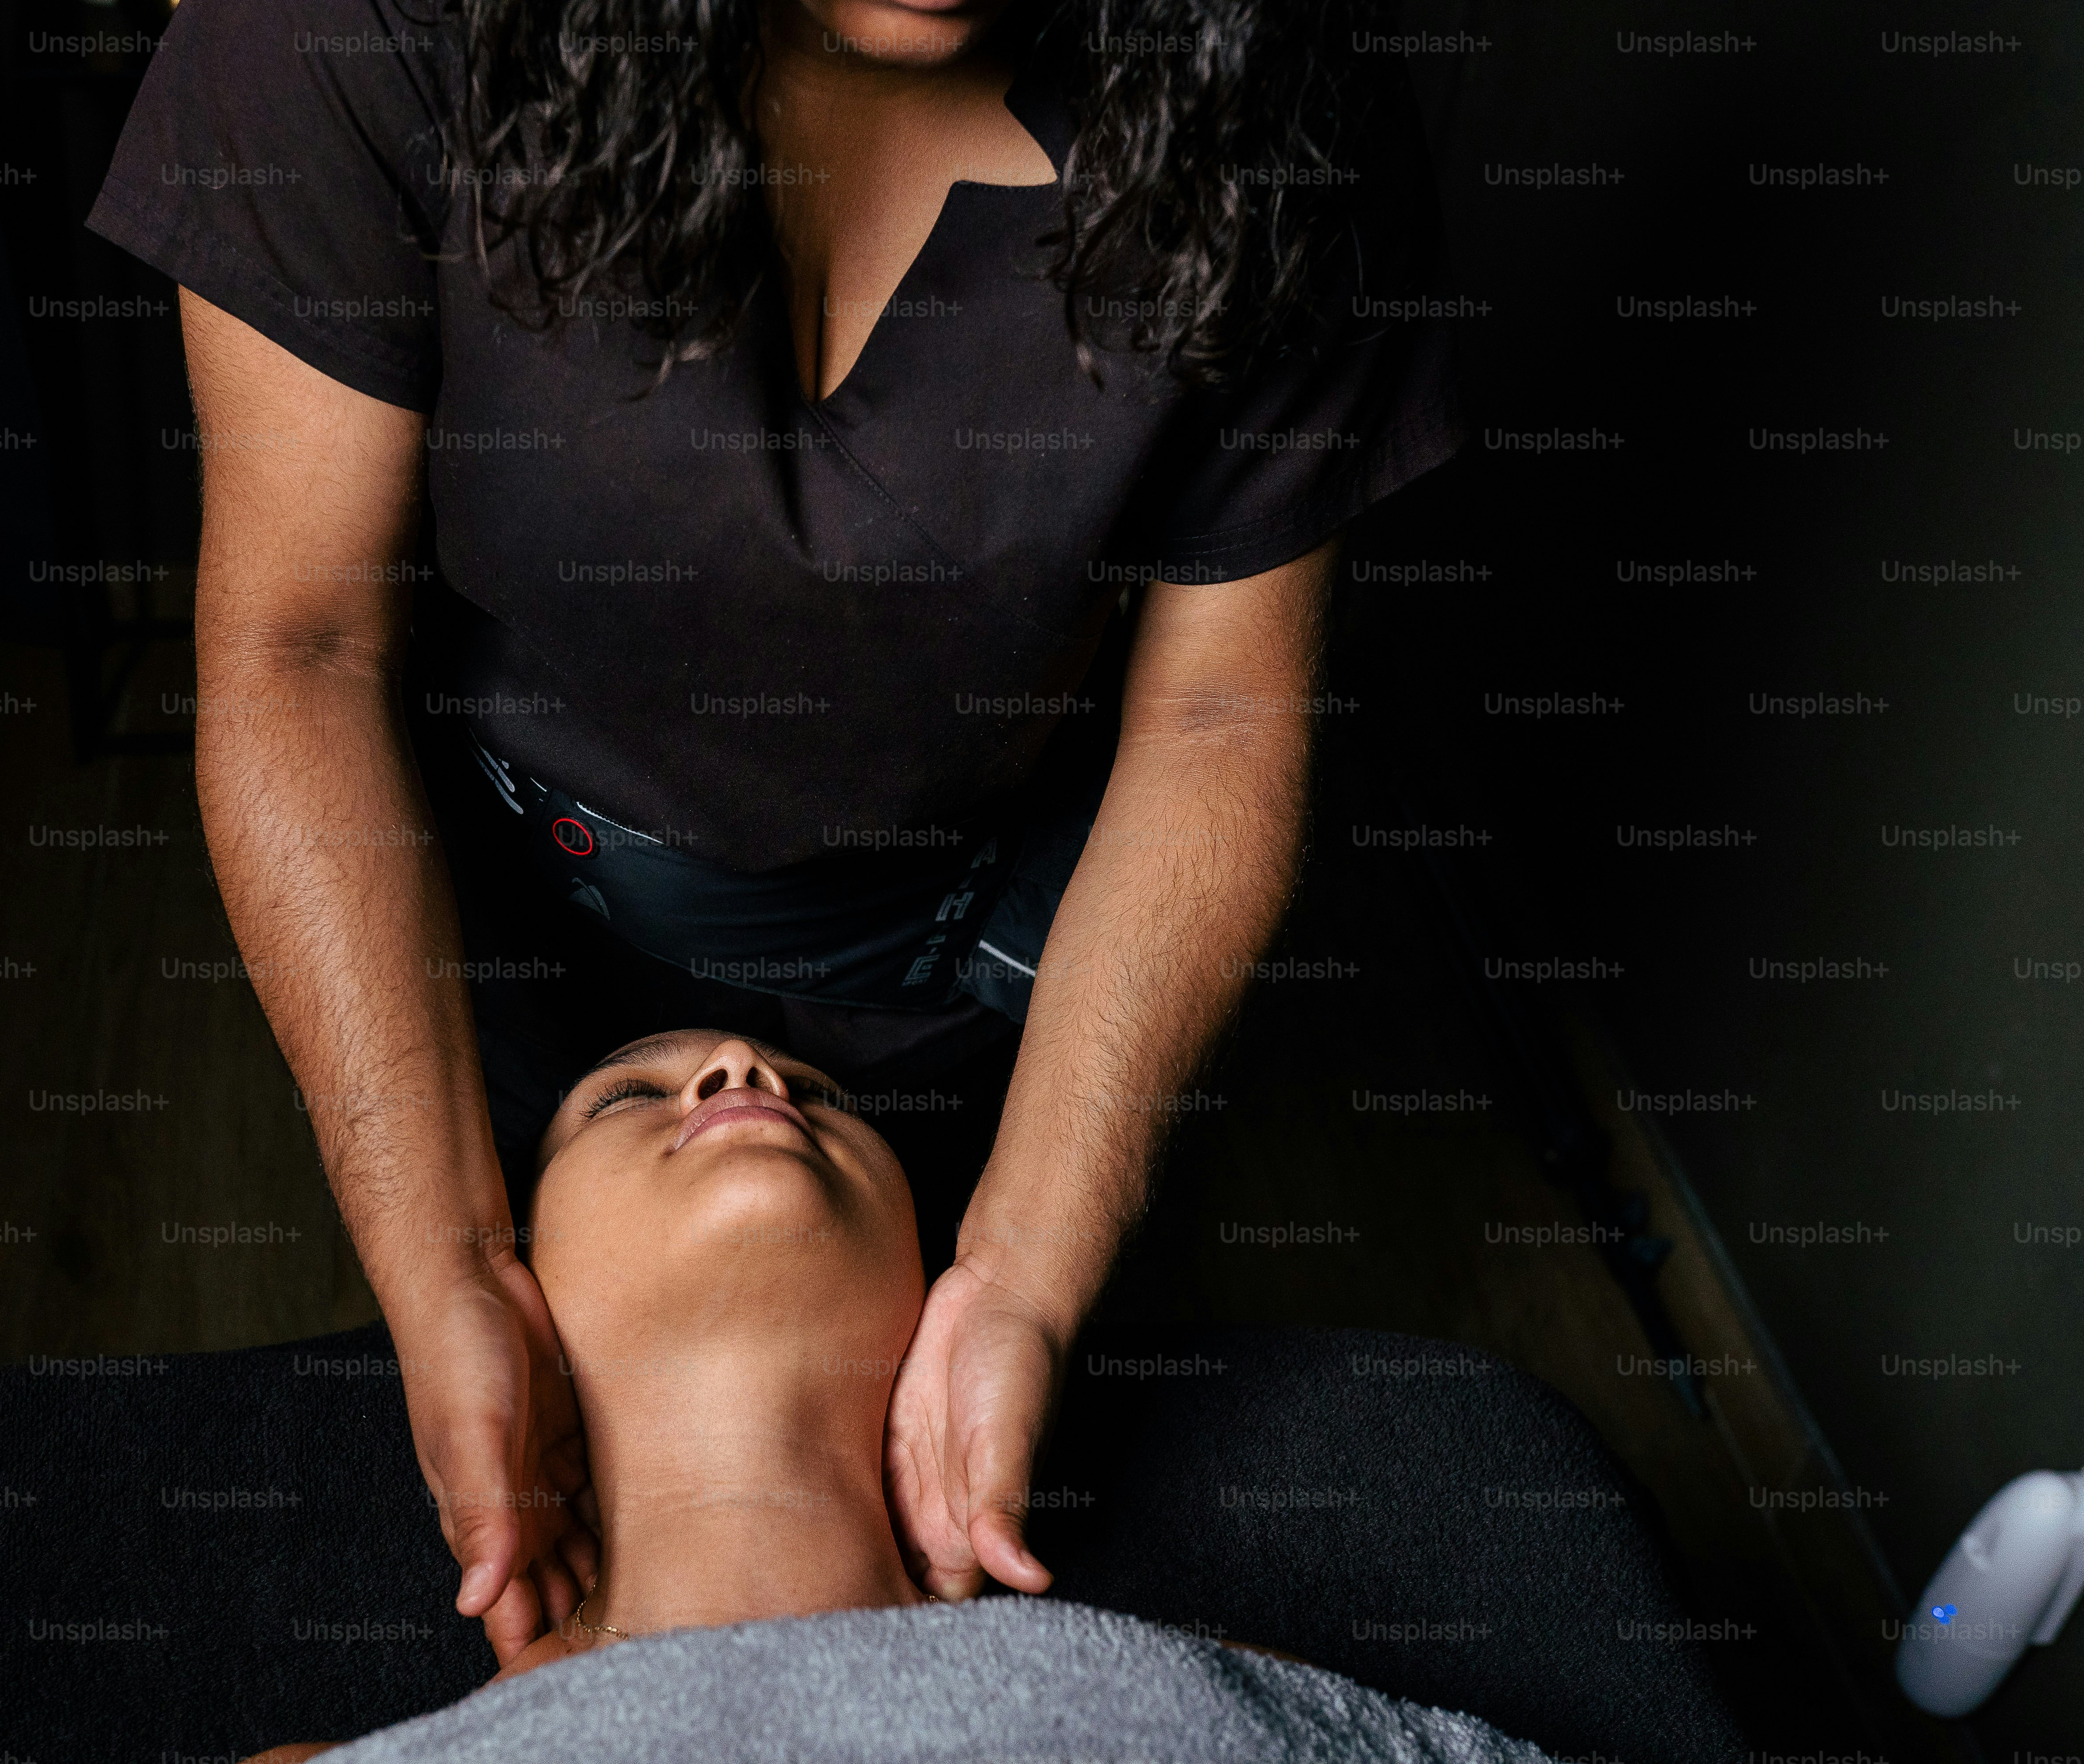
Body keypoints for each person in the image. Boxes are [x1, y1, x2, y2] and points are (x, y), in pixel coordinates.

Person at [86, 0, 1467, 1664]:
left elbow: (1221, 719)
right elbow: (297, 648)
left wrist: (1023, 1272)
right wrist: (443, 1260)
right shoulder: (349, 33)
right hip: (512, 909)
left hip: (979, 958)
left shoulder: (1282, 116)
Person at [0, 1030, 1749, 1764]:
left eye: (805, 1093)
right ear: (518, 1329)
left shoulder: (1205, 1688)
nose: (740, 1072)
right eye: (634, 1097)